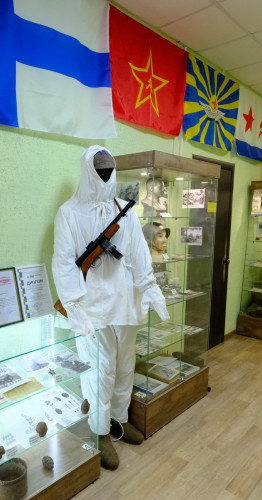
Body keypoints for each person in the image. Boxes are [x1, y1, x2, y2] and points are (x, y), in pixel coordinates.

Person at [52, 146, 169, 470]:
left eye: (108, 170)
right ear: (88, 171)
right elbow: (64, 264)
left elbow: (140, 253)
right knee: (100, 370)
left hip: (125, 301)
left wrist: (151, 290)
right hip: (93, 305)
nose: (105, 176)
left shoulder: (124, 210)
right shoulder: (69, 213)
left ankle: (119, 418)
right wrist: (74, 307)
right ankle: (99, 431)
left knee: (125, 366)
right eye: (99, 170)